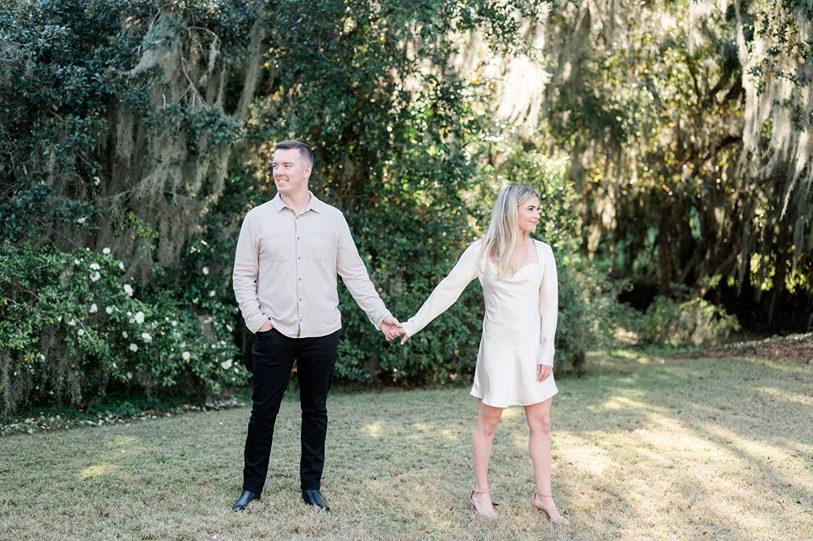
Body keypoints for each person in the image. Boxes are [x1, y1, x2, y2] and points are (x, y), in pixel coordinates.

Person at [231, 140, 400, 512]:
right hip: (273, 331)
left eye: (287, 165)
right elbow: (242, 276)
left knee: (316, 410)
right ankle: (251, 487)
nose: (279, 171)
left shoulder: (333, 219)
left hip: (322, 330)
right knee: (263, 411)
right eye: (275, 165)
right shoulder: (257, 219)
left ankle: (311, 486)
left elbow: (355, 275)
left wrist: (380, 315)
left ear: (306, 170)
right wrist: (257, 321)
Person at [388, 183, 569, 524]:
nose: (537, 213)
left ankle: (544, 496)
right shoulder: (482, 251)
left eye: (537, 208)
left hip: (533, 353)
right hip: (498, 350)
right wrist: (411, 325)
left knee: (542, 423)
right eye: (531, 208)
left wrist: (547, 353)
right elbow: (447, 291)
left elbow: (550, 307)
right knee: (488, 423)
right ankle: (480, 493)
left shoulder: (544, 252)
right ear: (511, 211)